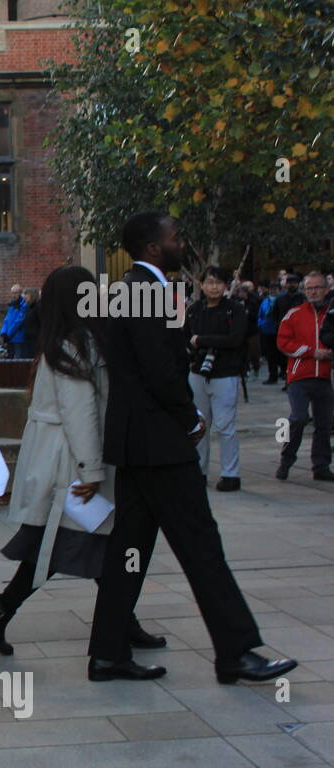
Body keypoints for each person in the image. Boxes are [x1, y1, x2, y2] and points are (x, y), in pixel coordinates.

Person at [88, 211, 296, 685]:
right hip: (160, 442)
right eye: (176, 237)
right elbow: (160, 372)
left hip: (137, 442)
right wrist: (191, 419)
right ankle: (237, 651)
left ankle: (107, 653)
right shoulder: (147, 292)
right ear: (154, 247)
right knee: (202, 547)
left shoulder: (129, 289)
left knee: (129, 551)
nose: (183, 243)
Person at [0, 266, 165, 656]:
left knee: (82, 549)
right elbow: (81, 414)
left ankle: (120, 623)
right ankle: (0, 611)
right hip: (70, 468)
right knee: (66, 549)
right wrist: (91, 470)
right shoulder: (75, 345)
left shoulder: (72, 341)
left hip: (67, 464)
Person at [185, 265, 247, 491]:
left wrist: (201, 340)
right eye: (209, 282)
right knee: (199, 425)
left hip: (225, 373)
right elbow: (185, 338)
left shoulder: (234, 310)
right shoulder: (194, 310)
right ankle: (199, 471)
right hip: (197, 374)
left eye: (218, 282)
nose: (214, 287)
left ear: (226, 285)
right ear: (200, 284)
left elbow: (235, 340)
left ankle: (231, 474)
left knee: (225, 425)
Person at [276, 271, 334, 481]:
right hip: (299, 376)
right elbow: (283, 343)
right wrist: (311, 352)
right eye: (309, 288)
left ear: (327, 290)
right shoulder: (295, 313)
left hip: (324, 376)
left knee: (324, 423)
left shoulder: (332, 313)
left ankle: (321, 466)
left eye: (317, 287)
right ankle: (286, 459)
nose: (313, 292)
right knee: (299, 418)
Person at [257, 279, 284, 383]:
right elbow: (260, 314)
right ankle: (273, 375)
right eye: (271, 289)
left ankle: (283, 372)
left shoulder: (282, 300)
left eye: (275, 289)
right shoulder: (265, 301)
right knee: (270, 355)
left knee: (281, 354)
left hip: (279, 330)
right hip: (267, 331)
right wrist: (261, 324)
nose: (272, 291)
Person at [0, 285, 29, 358]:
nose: (13, 295)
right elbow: (6, 320)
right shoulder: (12, 305)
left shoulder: (23, 305)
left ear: (20, 293)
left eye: (16, 293)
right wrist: (3, 332)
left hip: (18, 338)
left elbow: (19, 321)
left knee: (18, 360)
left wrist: (8, 334)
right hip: (10, 338)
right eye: (12, 293)